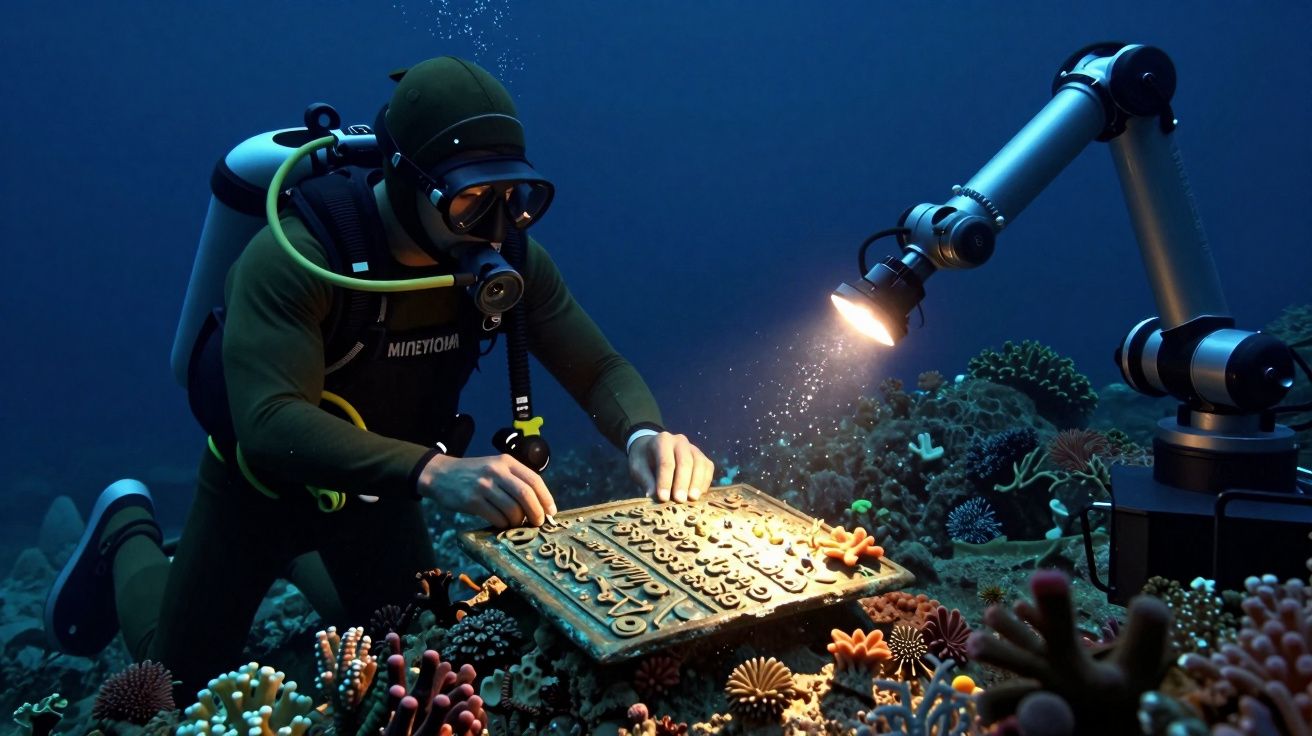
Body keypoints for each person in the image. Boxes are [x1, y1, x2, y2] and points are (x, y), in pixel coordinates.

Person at [44, 56, 714, 695]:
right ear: (406, 178)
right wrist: (434, 472)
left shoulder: (510, 257)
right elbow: (268, 422)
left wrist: (644, 433)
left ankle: (298, 560)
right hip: (258, 492)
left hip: (377, 501)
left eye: (516, 197)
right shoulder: (295, 258)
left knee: (412, 643)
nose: (497, 226)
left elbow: (596, 367)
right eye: (470, 202)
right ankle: (126, 526)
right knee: (173, 686)